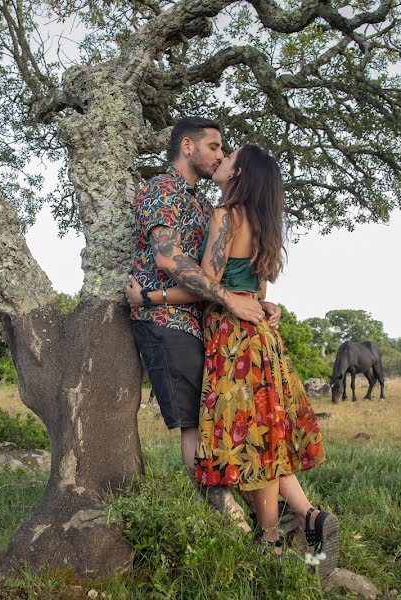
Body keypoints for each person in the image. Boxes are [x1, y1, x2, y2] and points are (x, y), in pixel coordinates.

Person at [128, 144, 339, 573]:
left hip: (233, 338)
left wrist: (150, 295)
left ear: (240, 173)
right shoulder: (265, 224)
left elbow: (207, 284)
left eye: (228, 157)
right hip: (263, 337)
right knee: (266, 436)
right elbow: (258, 295)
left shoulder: (226, 216)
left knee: (250, 441)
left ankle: (269, 540)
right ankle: (308, 517)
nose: (220, 161)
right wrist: (267, 306)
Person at [128, 117, 280, 526]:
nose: (219, 155)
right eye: (214, 146)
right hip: (165, 318)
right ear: (188, 147)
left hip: (198, 321)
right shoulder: (162, 189)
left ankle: (256, 512)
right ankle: (225, 520)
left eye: (223, 150)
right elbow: (168, 257)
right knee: (194, 423)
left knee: (217, 418)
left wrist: (251, 300)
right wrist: (232, 299)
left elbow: (219, 273)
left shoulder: (200, 201)